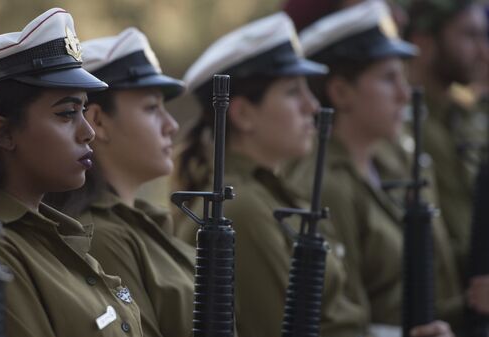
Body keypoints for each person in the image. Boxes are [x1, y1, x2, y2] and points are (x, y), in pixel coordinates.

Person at [0, 8, 143, 337]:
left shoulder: (50, 240)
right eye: (66, 114)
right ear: (2, 133)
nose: (88, 131)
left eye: (83, 110)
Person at [175, 11, 373, 337]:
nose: (312, 106)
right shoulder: (242, 209)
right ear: (242, 114)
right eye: (293, 92)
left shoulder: (271, 193)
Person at [285, 0, 462, 334]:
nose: (403, 94)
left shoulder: (394, 163)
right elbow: (343, 319)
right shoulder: (326, 185)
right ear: (340, 91)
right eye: (388, 79)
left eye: (404, 78)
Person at [43, 28, 195, 337]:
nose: (171, 125)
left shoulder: (143, 222)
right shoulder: (102, 236)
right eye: (152, 108)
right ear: (98, 122)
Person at [405, 0, 489, 280]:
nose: (483, 52)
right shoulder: (401, 128)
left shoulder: (466, 116)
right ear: (423, 43)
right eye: (469, 36)